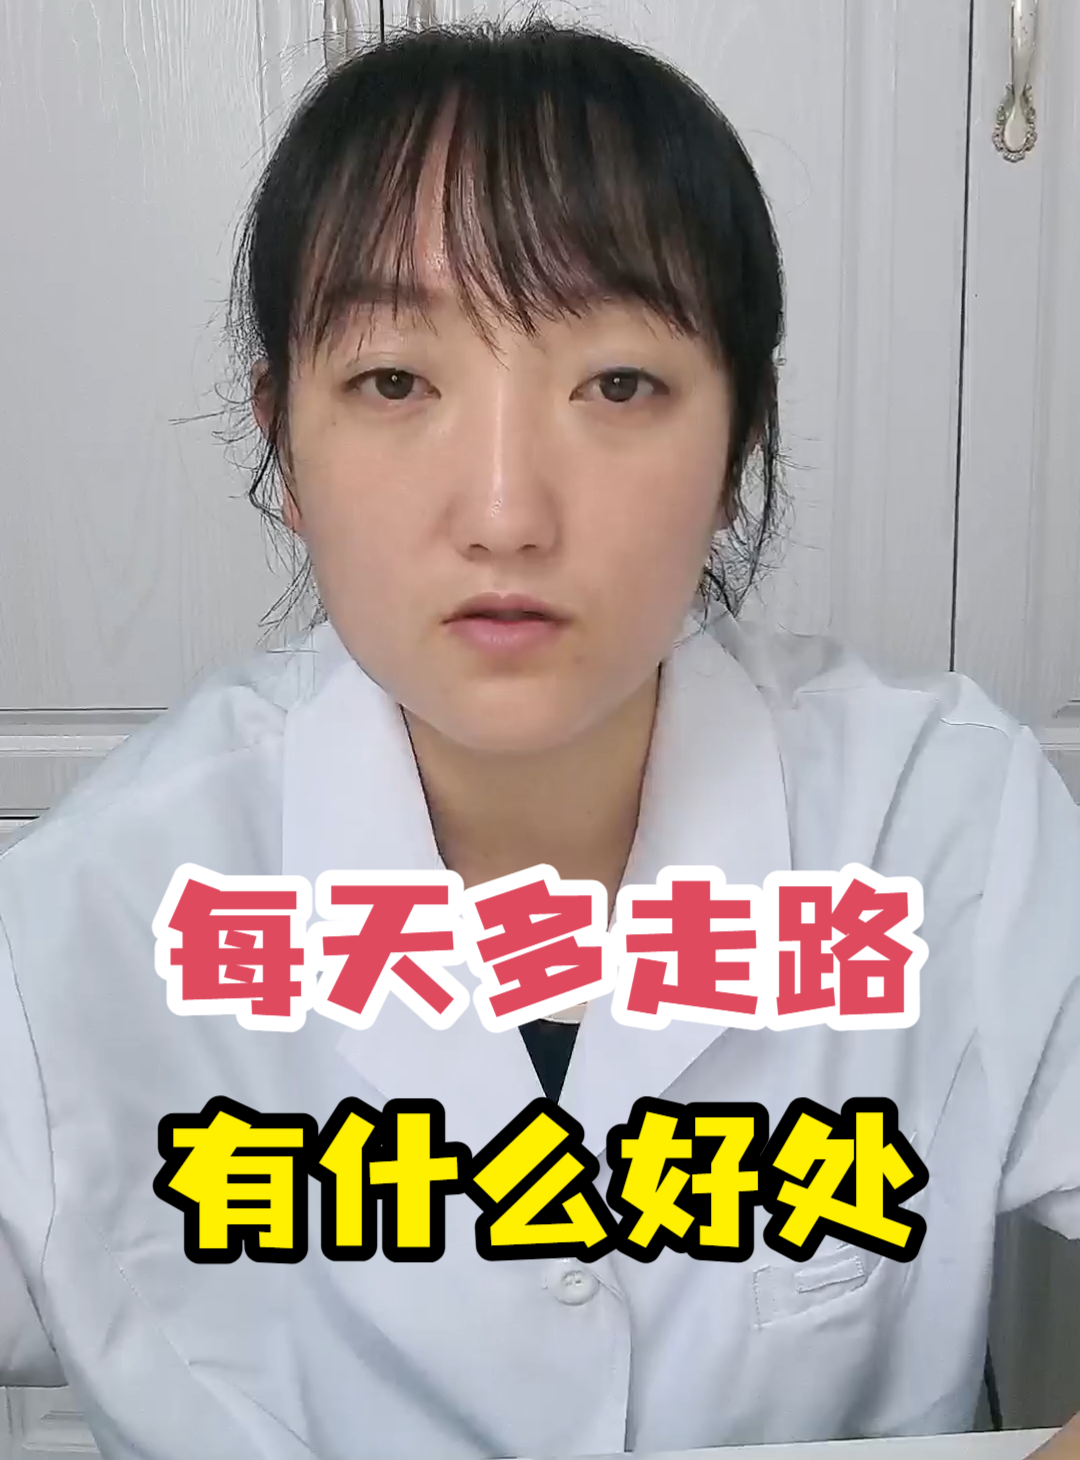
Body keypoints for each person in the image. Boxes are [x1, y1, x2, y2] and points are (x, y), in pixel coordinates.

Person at [1, 15, 1078, 1460]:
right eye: (395, 383)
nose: (506, 513)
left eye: (618, 385)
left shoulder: (945, 824)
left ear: (740, 444)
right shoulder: (89, 912)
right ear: (284, 444)